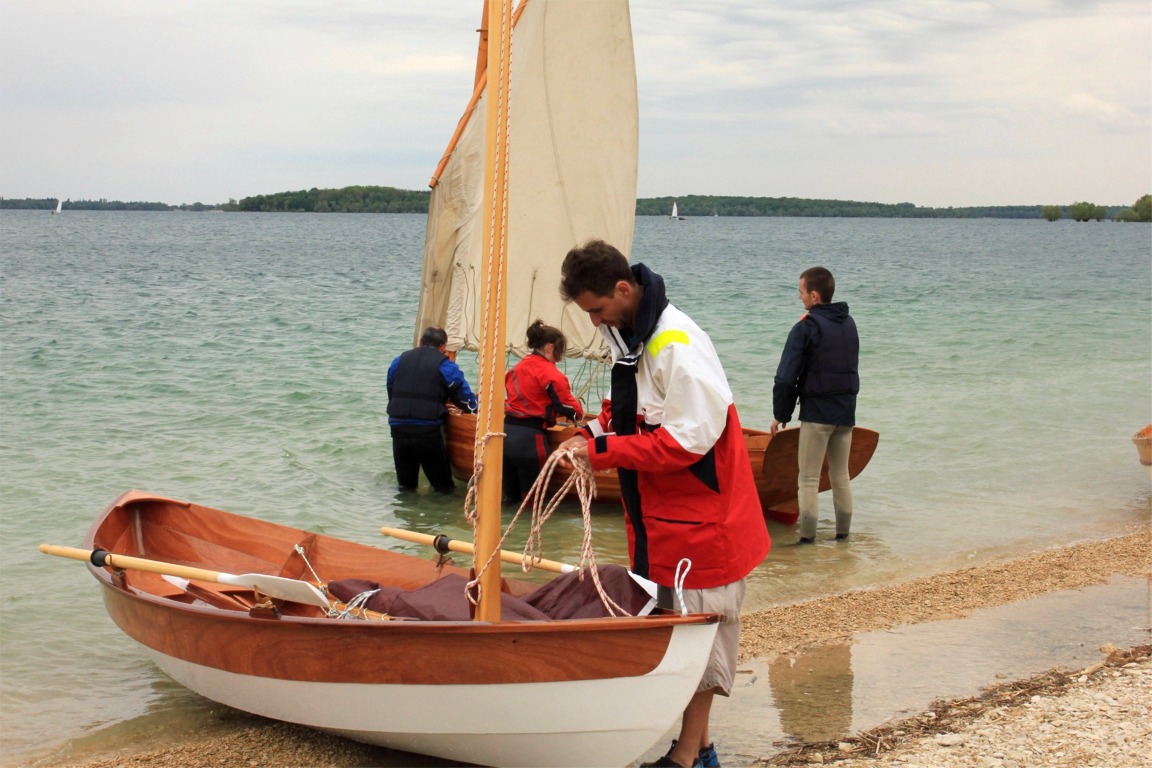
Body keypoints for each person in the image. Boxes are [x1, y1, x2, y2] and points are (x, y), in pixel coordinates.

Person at [556, 240, 770, 768]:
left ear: (623, 290)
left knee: (698, 646)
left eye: (597, 310)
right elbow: (631, 410)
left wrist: (600, 452)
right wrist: (588, 432)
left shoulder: (676, 346)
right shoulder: (631, 335)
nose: (593, 322)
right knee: (680, 637)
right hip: (667, 525)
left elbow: (685, 442)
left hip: (705, 526)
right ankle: (698, 750)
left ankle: (689, 757)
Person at [770, 266, 859, 543]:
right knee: (840, 475)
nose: (800, 297)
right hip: (845, 413)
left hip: (817, 416)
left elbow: (785, 378)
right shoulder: (849, 323)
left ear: (814, 295)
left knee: (808, 479)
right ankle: (843, 537)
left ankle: (807, 541)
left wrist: (781, 414)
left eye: (801, 292)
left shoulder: (806, 328)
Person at [386, 326, 478, 493]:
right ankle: (441, 515)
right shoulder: (445, 365)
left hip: (398, 427)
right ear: (443, 347)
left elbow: (391, 389)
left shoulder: (399, 360)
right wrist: (475, 406)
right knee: (443, 488)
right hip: (426, 431)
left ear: (421, 342)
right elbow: (463, 396)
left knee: (406, 487)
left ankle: (408, 516)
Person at [502, 319, 584, 503]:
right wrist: (580, 413)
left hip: (505, 436)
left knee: (510, 500)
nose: (558, 358)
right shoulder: (551, 374)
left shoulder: (516, 369)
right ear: (549, 348)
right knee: (533, 504)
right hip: (530, 441)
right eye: (558, 353)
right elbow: (569, 408)